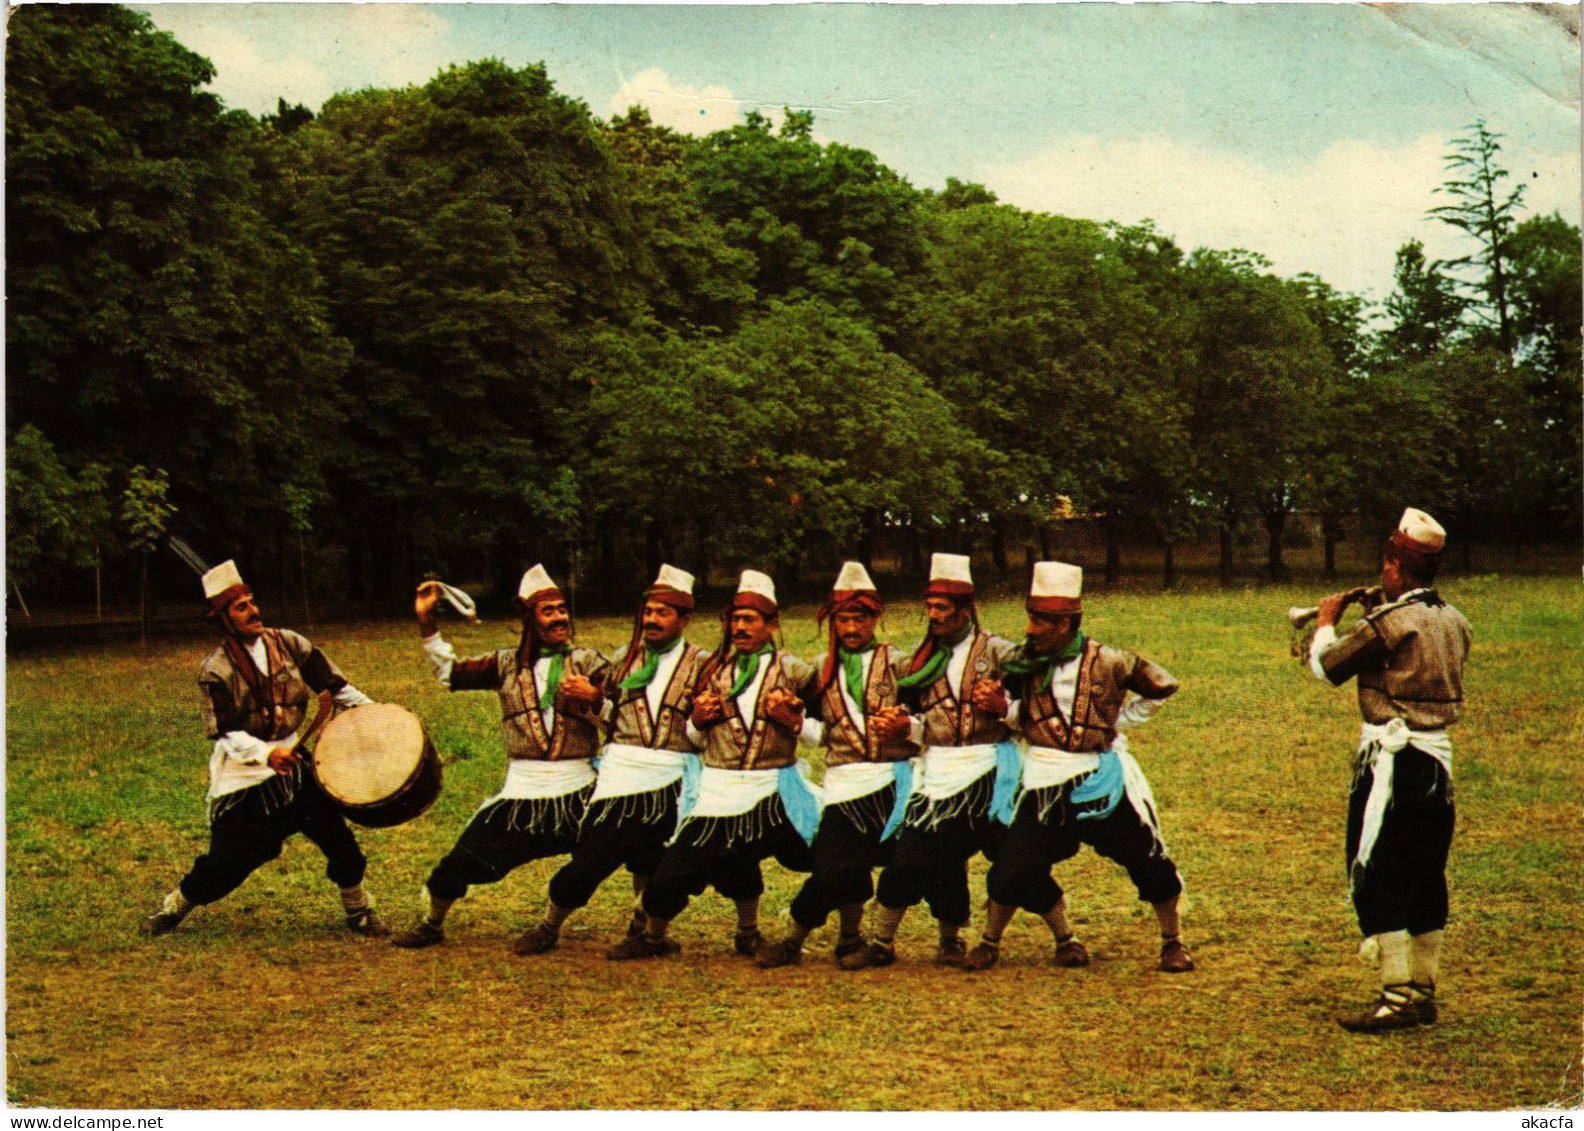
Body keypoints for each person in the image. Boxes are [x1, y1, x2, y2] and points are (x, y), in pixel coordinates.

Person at [962, 561, 1193, 974]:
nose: (1031, 629)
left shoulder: (1110, 660)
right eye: (1031, 618)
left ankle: (1172, 941)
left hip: (1099, 783)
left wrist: (1114, 722)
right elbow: (1022, 715)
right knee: (1010, 869)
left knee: (1149, 862)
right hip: (1043, 784)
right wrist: (1003, 709)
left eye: (1042, 622)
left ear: (1067, 623)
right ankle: (993, 940)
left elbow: (1162, 687)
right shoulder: (1023, 664)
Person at [142, 560, 389, 938]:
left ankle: (358, 910)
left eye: (252, 602)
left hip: (297, 768)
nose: (253, 611)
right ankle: (175, 906)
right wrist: (267, 755)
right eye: (241, 607)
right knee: (228, 863)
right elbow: (225, 734)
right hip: (246, 777)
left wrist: (380, 717)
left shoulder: (289, 643)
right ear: (224, 619)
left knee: (338, 839)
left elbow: (337, 689)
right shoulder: (215, 670)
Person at [1309, 508, 1470, 1032]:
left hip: (1393, 763)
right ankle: (1423, 991)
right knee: (1425, 876)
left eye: (1386, 565)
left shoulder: (1388, 622)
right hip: (1436, 764)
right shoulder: (1454, 621)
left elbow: (1328, 666)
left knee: (1373, 873)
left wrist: (1327, 621)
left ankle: (1397, 996)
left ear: (1397, 569)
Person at [391, 564, 609, 950]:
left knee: (614, 850)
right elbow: (450, 675)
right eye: (549, 610)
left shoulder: (590, 664)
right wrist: (427, 621)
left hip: (581, 791)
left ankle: (551, 928)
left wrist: (595, 699)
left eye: (562, 609)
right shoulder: (504, 664)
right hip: (521, 795)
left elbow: (628, 715)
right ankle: (431, 923)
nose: (560, 617)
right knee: (459, 864)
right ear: (528, 618)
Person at [609, 570, 822, 960]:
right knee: (673, 873)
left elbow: (827, 730)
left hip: (776, 790)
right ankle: (654, 938)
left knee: (829, 856)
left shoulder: (795, 672)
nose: (739, 628)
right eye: (735, 620)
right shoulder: (711, 671)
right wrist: (698, 722)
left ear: (771, 625)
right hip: (718, 792)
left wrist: (794, 723)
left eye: (749, 620)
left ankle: (842, 937)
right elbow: (694, 738)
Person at [514, 565, 709, 955]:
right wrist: (593, 701)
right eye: (648, 612)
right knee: (590, 859)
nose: (651, 620)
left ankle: (649, 934)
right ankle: (549, 926)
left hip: (675, 776)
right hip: (622, 777)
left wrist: (702, 723)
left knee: (656, 863)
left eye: (663, 613)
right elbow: (613, 718)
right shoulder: (624, 659)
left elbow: (704, 736)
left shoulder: (705, 665)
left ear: (684, 618)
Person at [840, 553, 1020, 970]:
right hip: (939, 775)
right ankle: (883, 941)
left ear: (964, 610)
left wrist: (1004, 705)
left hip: (994, 774)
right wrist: (904, 726)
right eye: (930, 608)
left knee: (1017, 860)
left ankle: (1053, 936)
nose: (933, 616)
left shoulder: (1000, 653)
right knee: (911, 857)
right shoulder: (922, 659)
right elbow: (923, 720)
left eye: (941, 608)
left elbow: (1033, 708)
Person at [756, 562, 921, 968]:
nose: (850, 628)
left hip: (895, 783)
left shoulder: (899, 666)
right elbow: (816, 729)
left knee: (917, 863)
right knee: (833, 868)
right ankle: (795, 940)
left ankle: (925, 939)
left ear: (875, 618)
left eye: (859, 618)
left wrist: (906, 729)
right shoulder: (820, 672)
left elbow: (926, 721)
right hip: (845, 783)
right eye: (843, 619)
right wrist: (793, 722)